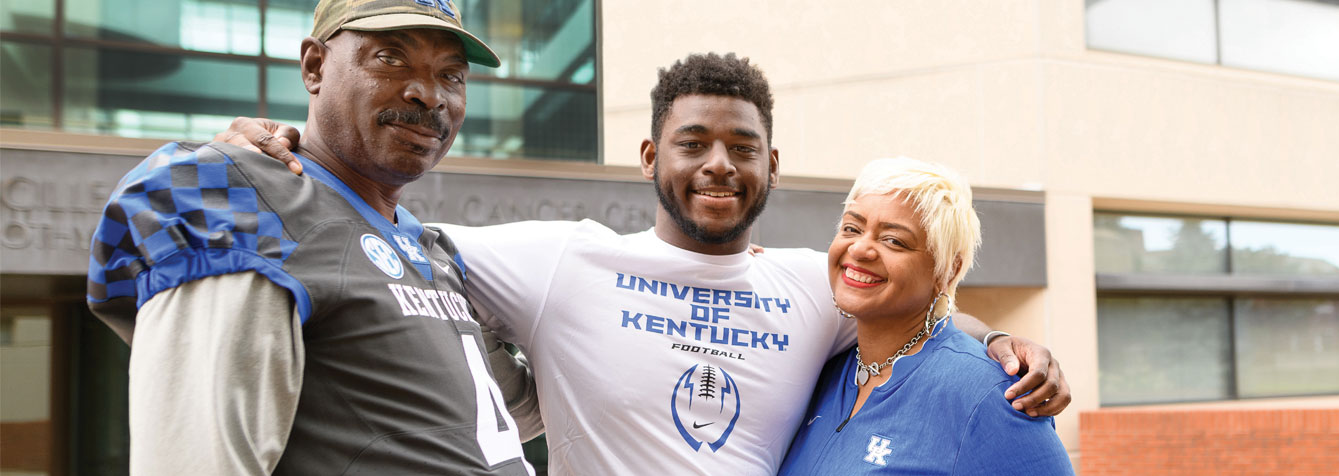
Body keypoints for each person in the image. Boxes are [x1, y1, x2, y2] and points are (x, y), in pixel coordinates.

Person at [220, 53, 1071, 475]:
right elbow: (388, 231)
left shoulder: (813, 286)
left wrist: (1001, 337)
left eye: (744, 148)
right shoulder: (561, 263)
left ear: (773, 166)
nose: (718, 166)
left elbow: (910, 309)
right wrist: (270, 148)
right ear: (647, 155)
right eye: (692, 143)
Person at [85, 1, 539, 474]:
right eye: (390, 58)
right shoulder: (249, 205)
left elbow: (495, 416)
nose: (429, 95)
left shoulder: (431, 248)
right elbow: (193, 460)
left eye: (452, 76)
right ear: (314, 66)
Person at [778, 158, 1073, 475]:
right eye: (852, 228)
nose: (861, 248)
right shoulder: (824, 369)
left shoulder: (989, 394)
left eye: (894, 240)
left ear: (948, 269)